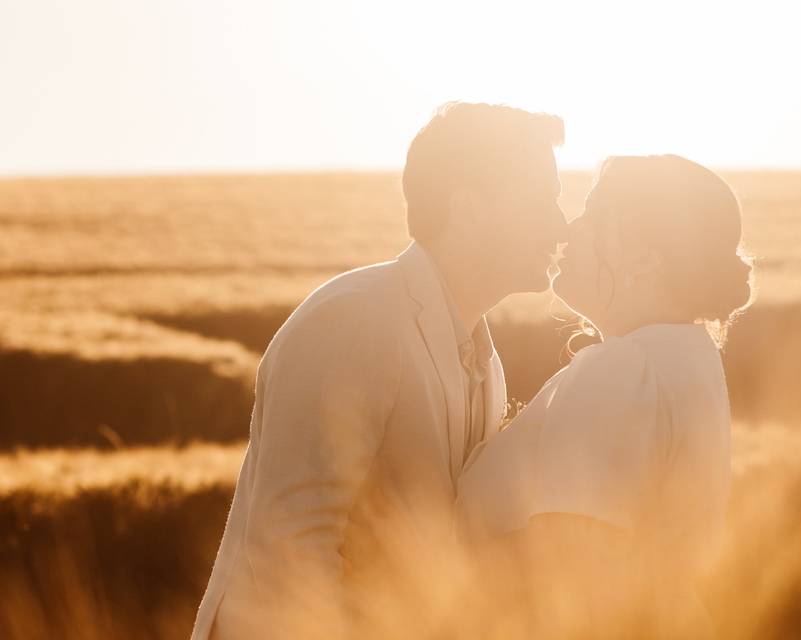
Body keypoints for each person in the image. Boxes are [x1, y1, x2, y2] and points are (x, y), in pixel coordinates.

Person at [190, 102, 569, 640]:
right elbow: (291, 545)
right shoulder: (353, 320)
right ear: (468, 208)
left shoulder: (488, 363)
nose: (560, 225)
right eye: (542, 201)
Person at [456, 155, 755, 639]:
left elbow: (570, 569)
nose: (568, 231)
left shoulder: (623, 370)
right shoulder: (690, 357)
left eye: (593, 216)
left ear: (643, 258)